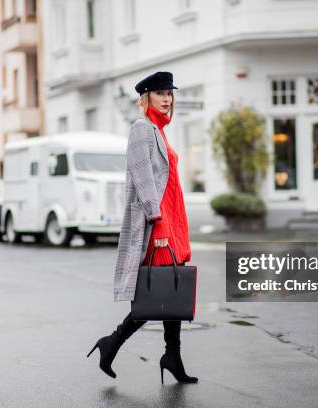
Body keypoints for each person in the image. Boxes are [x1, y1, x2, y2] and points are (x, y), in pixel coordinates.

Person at [87, 71, 197, 384]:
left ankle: (172, 356)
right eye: (161, 93)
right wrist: (157, 224)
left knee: (172, 288)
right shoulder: (141, 129)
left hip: (173, 221)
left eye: (170, 93)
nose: (167, 99)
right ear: (146, 97)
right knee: (157, 294)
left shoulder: (159, 132)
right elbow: (144, 178)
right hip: (158, 223)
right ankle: (112, 342)